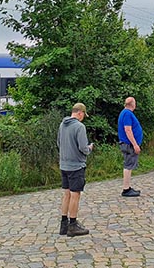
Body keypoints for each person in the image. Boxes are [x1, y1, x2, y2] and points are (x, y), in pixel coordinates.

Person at [57, 102, 93, 237]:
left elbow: (58, 143)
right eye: (83, 114)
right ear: (80, 113)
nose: (83, 117)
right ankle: (73, 225)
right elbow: (83, 148)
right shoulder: (79, 127)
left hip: (63, 165)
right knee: (75, 195)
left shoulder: (62, 125)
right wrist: (89, 148)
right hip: (76, 166)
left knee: (66, 194)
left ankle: (63, 224)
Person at [117, 96, 143, 197]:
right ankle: (126, 189)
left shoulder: (125, 113)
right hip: (128, 144)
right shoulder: (127, 114)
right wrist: (135, 144)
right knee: (128, 165)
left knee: (129, 165)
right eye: (135, 103)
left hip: (128, 144)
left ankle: (127, 187)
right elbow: (128, 130)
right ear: (132, 104)